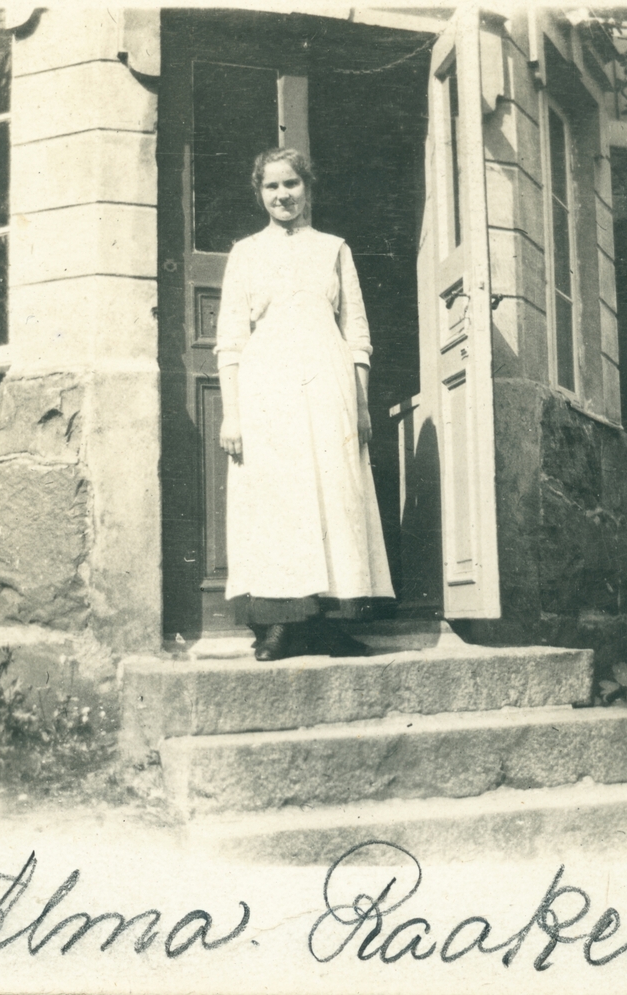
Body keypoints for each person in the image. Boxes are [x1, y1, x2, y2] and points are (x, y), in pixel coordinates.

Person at [214, 147, 395, 661]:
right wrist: (232, 413)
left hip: (328, 387)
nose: (282, 195)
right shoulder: (246, 253)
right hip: (267, 390)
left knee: (333, 495)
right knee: (278, 499)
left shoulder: (334, 249)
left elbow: (356, 333)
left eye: (291, 184)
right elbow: (230, 339)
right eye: (271, 186)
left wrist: (361, 406)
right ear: (259, 194)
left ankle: (327, 625)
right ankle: (279, 625)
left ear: (307, 188)